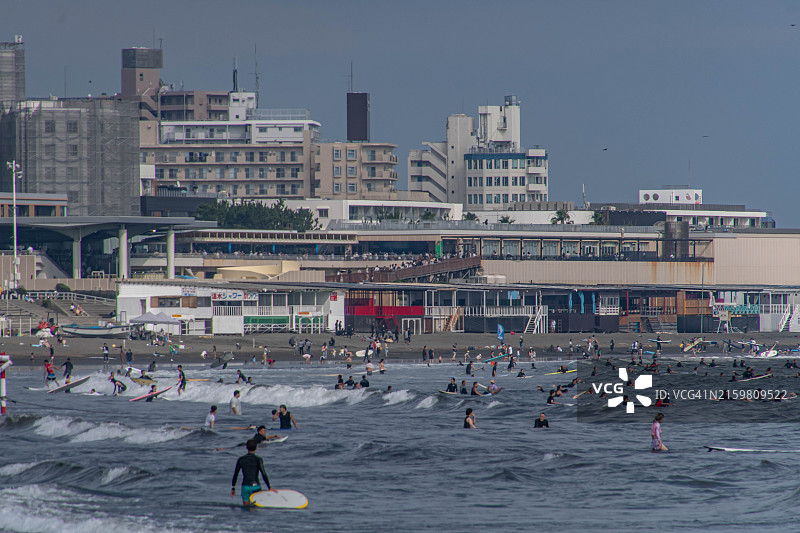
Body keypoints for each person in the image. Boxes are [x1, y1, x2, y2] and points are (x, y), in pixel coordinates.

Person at [231, 439, 275, 506]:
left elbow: (235, 474)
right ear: (256, 447)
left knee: (246, 508)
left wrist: (233, 488)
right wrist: (269, 487)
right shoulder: (258, 459)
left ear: (246, 447)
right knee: (256, 507)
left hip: (245, 487)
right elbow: (263, 473)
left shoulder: (241, 459)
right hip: (256, 487)